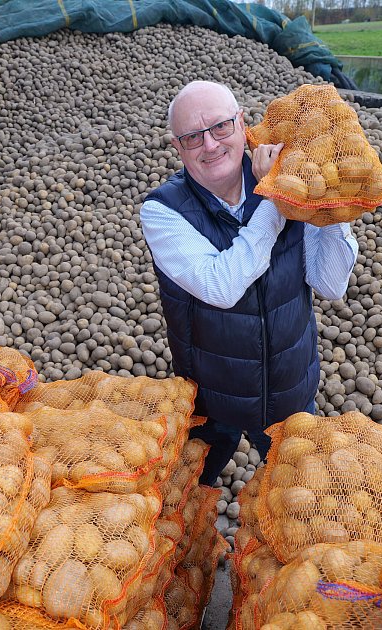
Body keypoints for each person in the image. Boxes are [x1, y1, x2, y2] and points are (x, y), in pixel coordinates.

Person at [140, 81, 360, 484]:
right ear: (177, 147)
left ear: (242, 124)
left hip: (288, 393)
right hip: (210, 396)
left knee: (300, 497)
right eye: (192, 137)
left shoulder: (291, 179)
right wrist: (273, 199)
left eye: (221, 127)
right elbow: (220, 286)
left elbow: (330, 284)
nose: (209, 145)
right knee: (184, 500)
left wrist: (329, 198)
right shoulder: (162, 211)